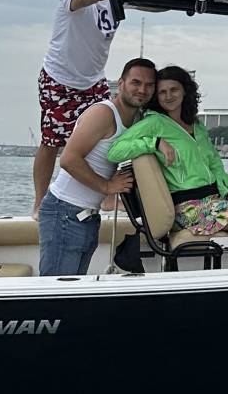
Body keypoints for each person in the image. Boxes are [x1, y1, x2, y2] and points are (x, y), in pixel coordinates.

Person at [107, 65, 228, 264]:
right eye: (162, 92)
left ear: (185, 91)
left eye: (174, 90)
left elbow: (215, 164)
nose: (168, 96)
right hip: (190, 208)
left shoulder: (196, 125)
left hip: (214, 196)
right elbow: (114, 150)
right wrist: (154, 143)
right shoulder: (154, 123)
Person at [32, 0, 131, 215]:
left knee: (115, 133)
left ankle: (106, 194)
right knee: (52, 141)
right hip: (60, 80)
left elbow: (145, 1)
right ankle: (40, 201)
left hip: (93, 81)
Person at [38, 57, 157, 276]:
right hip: (64, 211)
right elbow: (69, 159)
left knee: (73, 291)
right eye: (136, 82)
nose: (142, 89)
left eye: (149, 85)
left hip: (88, 215)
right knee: (55, 294)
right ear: (121, 84)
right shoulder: (103, 113)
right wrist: (107, 187)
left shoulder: (138, 120)